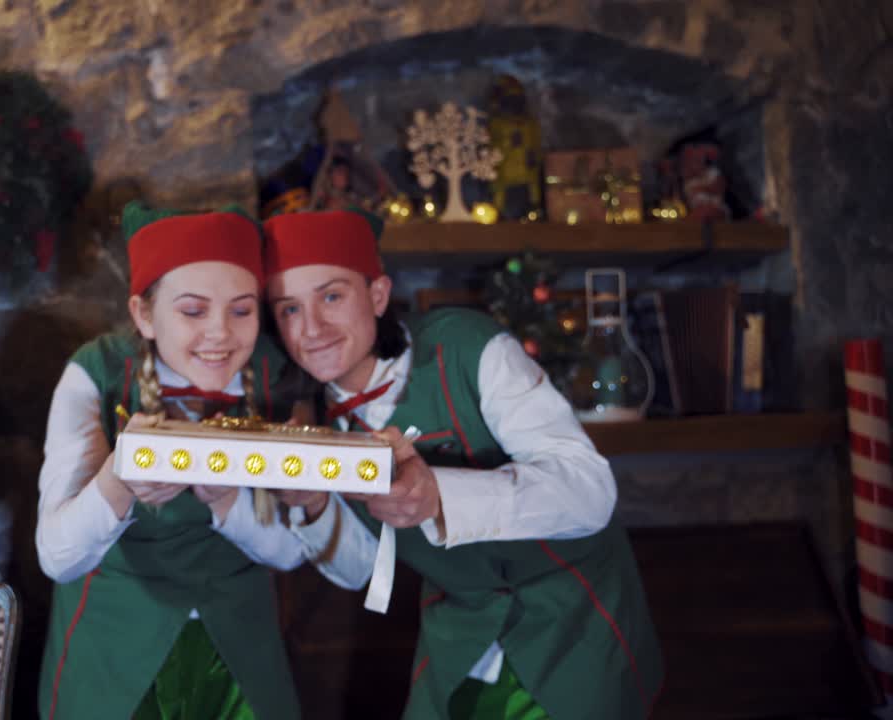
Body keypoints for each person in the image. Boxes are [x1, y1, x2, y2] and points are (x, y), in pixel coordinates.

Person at [262, 208, 664, 720]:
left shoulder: (470, 347)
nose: (312, 328)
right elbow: (360, 567)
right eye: (289, 309)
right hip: (462, 632)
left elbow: (591, 491)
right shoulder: (317, 423)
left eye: (332, 296)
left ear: (378, 295)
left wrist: (436, 494)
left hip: (574, 621)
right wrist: (313, 504)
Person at [36, 201, 375, 720]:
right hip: (113, 651)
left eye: (241, 310)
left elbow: (290, 554)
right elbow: (57, 557)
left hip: (241, 650)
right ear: (144, 315)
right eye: (193, 311)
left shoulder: (278, 375)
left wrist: (229, 504)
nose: (221, 333)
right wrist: (120, 482)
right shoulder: (96, 373)